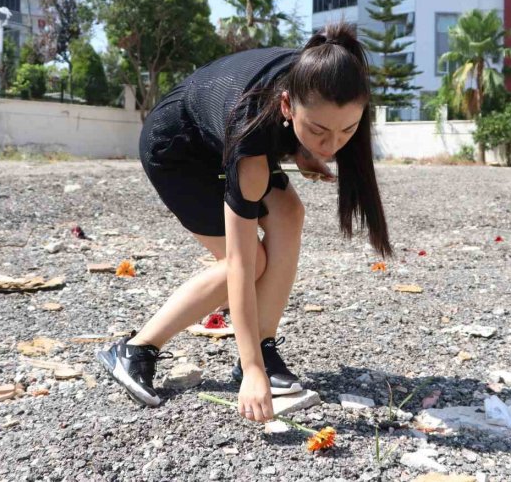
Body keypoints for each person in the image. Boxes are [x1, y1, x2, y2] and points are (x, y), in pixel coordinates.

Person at [97, 22, 392, 423]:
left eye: (348, 130)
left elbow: (314, 127)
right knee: (253, 260)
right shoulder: (252, 134)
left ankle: (264, 348)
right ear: (288, 107)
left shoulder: (322, 73)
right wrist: (250, 371)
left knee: (289, 213)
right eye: (318, 130)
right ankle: (137, 348)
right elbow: (239, 262)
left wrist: (304, 146)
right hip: (178, 148)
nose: (332, 145)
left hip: (225, 133)